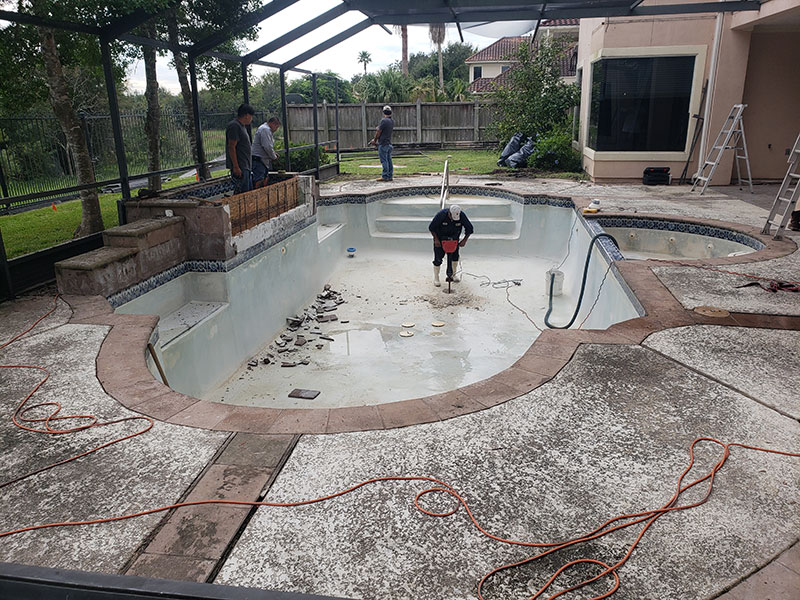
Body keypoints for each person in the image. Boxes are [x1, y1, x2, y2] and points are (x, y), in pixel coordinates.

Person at [428, 204, 473, 287]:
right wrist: (436, 239)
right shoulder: (441, 215)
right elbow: (431, 227)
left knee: (455, 257)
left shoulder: (461, 215)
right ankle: (436, 278)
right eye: (452, 217)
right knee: (438, 259)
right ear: (449, 213)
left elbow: (469, 228)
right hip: (440, 239)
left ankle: (453, 274)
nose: (454, 219)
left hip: (454, 239)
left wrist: (464, 240)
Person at [226, 104, 255, 194]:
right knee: (242, 193)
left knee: (248, 192)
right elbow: (231, 146)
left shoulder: (242, 126)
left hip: (246, 166)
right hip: (241, 166)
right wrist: (236, 166)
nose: (251, 119)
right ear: (246, 115)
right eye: (251, 116)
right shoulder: (234, 126)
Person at [252, 116, 281, 188]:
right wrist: (273, 156)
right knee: (259, 179)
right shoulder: (265, 130)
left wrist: (273, 153)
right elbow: (267, 146)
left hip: (262, 159)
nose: (276, 129)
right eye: (276, 127)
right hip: (259, 159)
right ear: (273, 124)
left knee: (263, 178)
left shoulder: (265, 129)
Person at [368, 105, 394, 182]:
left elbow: (379, 131)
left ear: (383, 112)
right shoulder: (391, 121)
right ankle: (390, 176)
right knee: (389, 160)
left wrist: (374, 140)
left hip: (383, 144)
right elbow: (383, 130)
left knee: (384, 161)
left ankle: (385, 176)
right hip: (389, 143)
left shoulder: (383, 121)